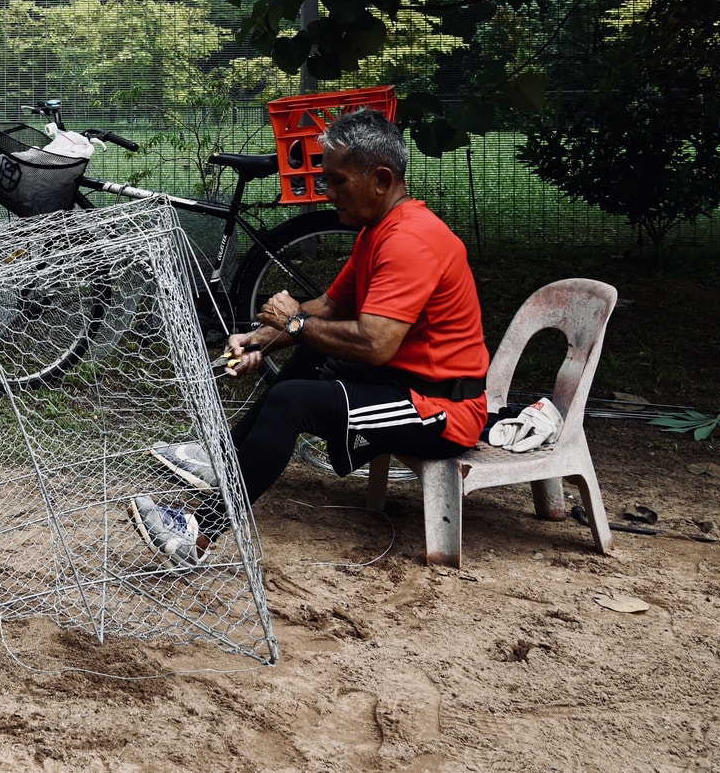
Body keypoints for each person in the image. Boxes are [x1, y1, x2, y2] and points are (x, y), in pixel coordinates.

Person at [127, 108, 491, 568]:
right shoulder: (379, 230)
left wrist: (295, 325)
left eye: (337, 181)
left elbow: (375, 343)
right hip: (404, 385)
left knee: (293, 400)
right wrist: (258, 339)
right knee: (307, 358)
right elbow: (329, 308)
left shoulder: (409, 241)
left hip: (440, 409)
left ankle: (196, 536)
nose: (325, 191)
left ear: (381, 179)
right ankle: (228, 461)